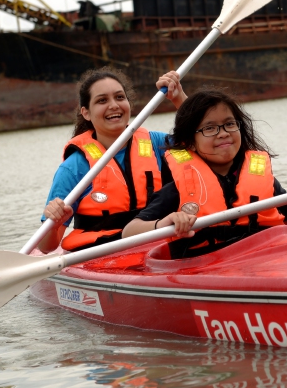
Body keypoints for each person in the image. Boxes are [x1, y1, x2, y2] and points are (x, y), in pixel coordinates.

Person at [121, 89, 287, 259]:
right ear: (189, 142)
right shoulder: (177, 190)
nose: (223, 133)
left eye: (230, 124)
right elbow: (129, 232)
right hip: (208, 266)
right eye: (209, 128)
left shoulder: (261, 178)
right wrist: (164, 223)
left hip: (265, 258)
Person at [38, 68, 187, 253]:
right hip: (103, 253)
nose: (114, 105)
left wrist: (178, 97)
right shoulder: (74, 167)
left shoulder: (156, 143)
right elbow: (46, 247)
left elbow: (205, 142)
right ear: (86, 113)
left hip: (157, 242)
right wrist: (55, 222)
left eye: (119, 97)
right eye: (102, 100)